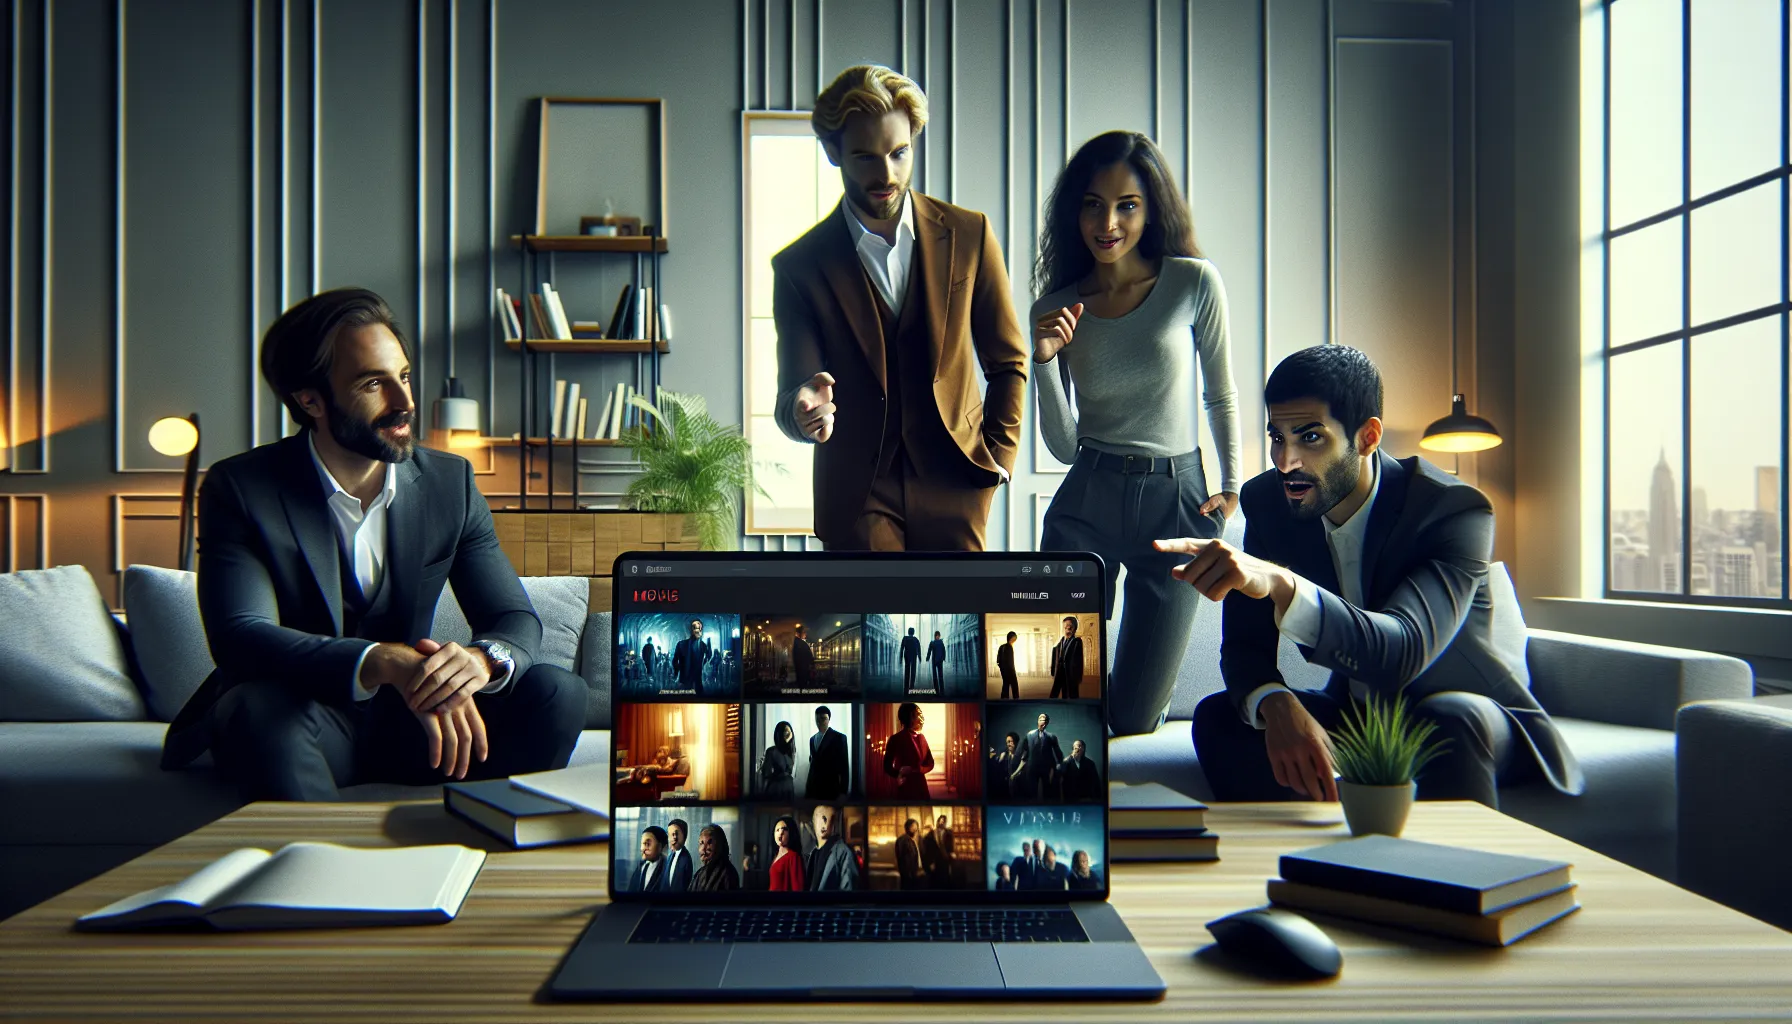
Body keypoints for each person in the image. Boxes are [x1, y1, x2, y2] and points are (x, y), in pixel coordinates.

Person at [159, 288, 585, 800]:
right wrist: (380, 660)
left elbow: (512, 617)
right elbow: (241, 636)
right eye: (372, 384)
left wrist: (481, 661)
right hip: (306, 720)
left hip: (423, 729)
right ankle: (325, 870)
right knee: (254, 711)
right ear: (309, 400)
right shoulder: (241, 488)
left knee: (558, 692)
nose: (405, 402)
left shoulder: (450, 483)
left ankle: (482, 846)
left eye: (403, 376)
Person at [1164, 345, 1583, 808]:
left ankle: (1446, 876)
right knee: (1221, 716)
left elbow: (1401, 649)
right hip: (1360, 714)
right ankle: (1308, 858)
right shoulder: (1269, 502)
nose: (1286, 462)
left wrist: (1283, 584)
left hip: (1476, 714)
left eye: (1310, 438)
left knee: (1450, 717)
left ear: (1367, 437)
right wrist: (1274, 703)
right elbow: (1245, 646)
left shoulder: (1451, 510)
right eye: (1277, 437)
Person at [1032, 131, 1244, 736]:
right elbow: (1065, 447)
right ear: (1074, 210)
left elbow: (1220, 393)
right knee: (1059, 703)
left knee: (1134, 718)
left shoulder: (1192, 283)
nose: (1108, 222)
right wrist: (1044, 360)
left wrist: (1231, 487)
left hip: (1175, 504)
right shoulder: (1057, 306)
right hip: (1087, 500)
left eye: (1127, 204)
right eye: (1093, 203)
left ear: (1151, 210)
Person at [773, 64, 1028, 551]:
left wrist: (998, 461)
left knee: (962, 626)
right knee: (867, 629)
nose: (885, 174)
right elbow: (794, 394)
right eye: (866, 157)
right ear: (834, 153)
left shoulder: (970, 234)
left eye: (899, 152)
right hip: (858, 494)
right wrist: (803, 413)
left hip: (958, 480)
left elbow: (1008, 360)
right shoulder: (800, 267)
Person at [882, 702, 934, 799]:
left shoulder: (921, 738)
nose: (919, 719)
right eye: (915, 715)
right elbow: (887, 766)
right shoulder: (895, 739)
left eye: (919, 715)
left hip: (920, 784)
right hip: (905, 784)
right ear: (908, 718)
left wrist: (920, 769)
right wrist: (900, 773)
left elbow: (930, 762)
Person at [806, 804, 858, 890]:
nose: (824, 823)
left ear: (834, 823)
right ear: (814, 821)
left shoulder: (843, 852)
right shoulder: (813, 853)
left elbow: (849, 890)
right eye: (819, 816)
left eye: (829, 818)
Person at [806, 705, 852, 800]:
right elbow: (813, 764)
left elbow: (844, 765)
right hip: (815, 787)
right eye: (817, 719)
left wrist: (843, 790)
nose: (820, 722)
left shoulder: (839, 737)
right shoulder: (812, 739)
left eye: (823, 718)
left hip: (831, 786)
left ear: (829, 719)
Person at [1019, 713, 1064, 800]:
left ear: (1047, 723)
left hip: (1046, 768)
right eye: (1040, 719)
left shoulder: (1051, 737)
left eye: (1044, 720)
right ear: (1038, 721)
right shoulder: (1030, 735)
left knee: (1047, 791)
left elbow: (1058, 753)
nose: (1042, 722)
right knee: (1032, 792)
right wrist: (1021, 765)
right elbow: (1024, 750)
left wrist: (1059, 765)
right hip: (1032, 767)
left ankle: (1047, 809)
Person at [689, 824, 741, 893]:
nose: (703, 849)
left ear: (720, 846)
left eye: (709, 843)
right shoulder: (700, 873)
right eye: (701, 843)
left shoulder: (728, 874)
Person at [758, 720, 798, 801]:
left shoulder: (792, 751)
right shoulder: (771, 751)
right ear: (779, 734)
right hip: (776, 788)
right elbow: (766, 773)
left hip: (789, 788)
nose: (789, 734)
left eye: (790, 731)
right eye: (786, 731)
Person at [670, 619, 711, 695]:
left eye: (699, 628)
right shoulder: (681, 644)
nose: (697, 631)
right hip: (686, 681)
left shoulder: (703, 645)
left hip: (697, 682)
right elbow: (674, 661)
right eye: (695, 628)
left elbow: (708, 658)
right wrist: (679, 672)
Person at [768, 815, 807, 892]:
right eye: (777, 830)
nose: (780, 833)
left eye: (785, 829)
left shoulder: (793, 856)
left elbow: (798, 888)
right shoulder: (775, 856)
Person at [1049, 616, 1085, 700]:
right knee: (1054, 693)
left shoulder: (1077, 641)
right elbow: (1055, 653)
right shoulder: (1061, 640)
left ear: (1074, 628)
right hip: (1060, 672)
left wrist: (1078, 676)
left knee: (1071, 694)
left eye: (1070, 627)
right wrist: (1053, 669)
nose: (1067, 629)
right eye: (1065, 627)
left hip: (1071, 673)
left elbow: (1079, 660)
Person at [631, 826, 669, 893]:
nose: (642, 848)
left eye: (648, 844)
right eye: (642, 844)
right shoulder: (640, 866)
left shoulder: (666, 869)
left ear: (662, 847)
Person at [986, 731, 1021, 800]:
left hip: (1017, 788)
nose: (1008, 744)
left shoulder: (1020, 754)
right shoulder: (1003, 753)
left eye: (1010, 741)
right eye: (1007, 742)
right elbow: (996, 767)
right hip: (1004, 789)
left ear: (1016, 742)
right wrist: (998, 759)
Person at [663, 818, 695, 892]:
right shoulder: (670, 856)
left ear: (684, 836)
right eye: (670, 834)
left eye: (676, 834)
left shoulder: (686, 858)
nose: (673, 838)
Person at [895, 818, 924, 890]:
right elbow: (900, 858)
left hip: (919, 871)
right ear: (907, 828)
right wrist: (907, 873)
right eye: (912, 826)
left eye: (915, 826)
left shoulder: (918, 839)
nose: (914, 828)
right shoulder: (902, 840)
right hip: (908, 874)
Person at [928, 814, 956, 888]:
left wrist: (952, 853)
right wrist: (931, 862)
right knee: (936, 880)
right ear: (937, 821)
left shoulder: (949, 833)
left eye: (943, 821)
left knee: (946, 878)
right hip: (936, 859)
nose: (941, 822)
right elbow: (929, 848)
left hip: (945, 858)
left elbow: (952, 844)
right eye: (940, 820)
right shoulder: (932, 833)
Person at [996, 630, 1019, 699]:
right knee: (1014, 684)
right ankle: (1016, 698)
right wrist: (1013, 670)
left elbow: (998, 659)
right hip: (1009, 669)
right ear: (1011, 638)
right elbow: (1010, 661)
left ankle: (1004, 697)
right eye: (1014, 638)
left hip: (1003, 669)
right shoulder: (1009, 647)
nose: (1015, 640)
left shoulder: (1001, 647)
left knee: (1006, 683)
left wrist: (1001, 667)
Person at [791, 623, 815, 688]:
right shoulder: (803, 644)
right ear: (800, 633)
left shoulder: (792, 642)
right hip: (803, 671)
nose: (805, 634)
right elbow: (810, 658)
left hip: (794, 672)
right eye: (804, 632)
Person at [900, 627, 922, 692]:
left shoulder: (905, 638)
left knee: (907, 671)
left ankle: (906, 687)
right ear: (913, 632)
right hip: (913, 657)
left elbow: (902, 649)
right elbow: (918, 649)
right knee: (913, 671)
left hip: (906, 656)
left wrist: (900, 658)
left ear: (908, 632)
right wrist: (919, 657)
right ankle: (911, 686)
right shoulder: (916, 639)